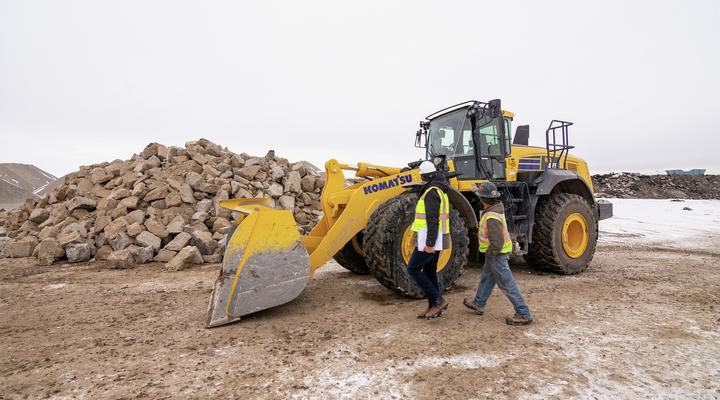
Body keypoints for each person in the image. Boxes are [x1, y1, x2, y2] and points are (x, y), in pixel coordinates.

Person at [463, 182, 533, 325]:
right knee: (487, 278)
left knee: (507, 284)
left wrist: (489, 252)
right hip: (495, 254)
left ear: (483, 200)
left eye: (480, 197)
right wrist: (476, 190)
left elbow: (497, 242)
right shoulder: (494, 208)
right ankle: (478, 303)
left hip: (496, 254)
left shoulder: (492, 217)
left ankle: (523, 313)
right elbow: (484, 197)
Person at [407, 160, 451, 320]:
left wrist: (430, 244)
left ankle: (438, 301)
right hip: (436, 237)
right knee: (429, 271)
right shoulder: (439, 189)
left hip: (429, 238)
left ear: (423, 176)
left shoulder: (431, 192)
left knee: (412, 269)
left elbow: (432, 220)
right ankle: (433, 305)